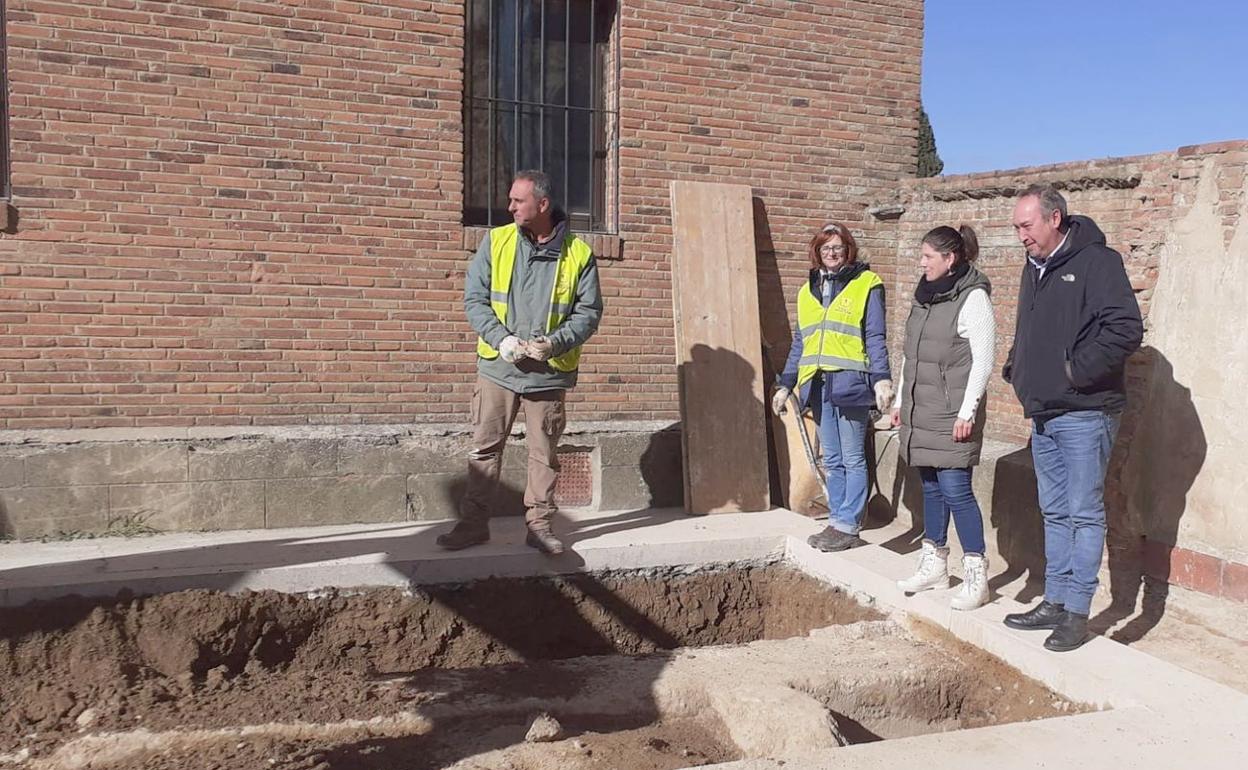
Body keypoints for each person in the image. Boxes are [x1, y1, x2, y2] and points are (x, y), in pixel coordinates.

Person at [1001, 184, 1142, 651]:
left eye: (1027, 225)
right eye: (1018, 226)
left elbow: (1124, 328)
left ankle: (1078, 613)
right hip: (1044, 413)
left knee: (1083, 513)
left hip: (1086, 412)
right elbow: (1031, 328)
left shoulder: (1098, 263)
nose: (1021, 234)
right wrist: (1017, 367)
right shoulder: (1034, 266)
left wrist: (1074, 372)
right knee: (1055, 511)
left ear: (1055, 218)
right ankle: (1055, 600)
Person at [437, 170, 604, 556]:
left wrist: (555, 343)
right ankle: (474, 524)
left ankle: (540, 526)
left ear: (541, 205)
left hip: (548, 373)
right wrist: (502, 339)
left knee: (543, 454)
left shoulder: (578, 254)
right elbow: (475, 300)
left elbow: (588, 312)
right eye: (511, 199)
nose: (510, 206)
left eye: (518, 200)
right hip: (499, 367)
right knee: (484, 448)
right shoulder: (496, 242)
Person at [890, 225, 996, 611]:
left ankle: (976, 575)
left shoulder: (974, 299)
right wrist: (902, 399)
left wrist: (967, 412)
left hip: (953, 412)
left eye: (928, 256)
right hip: (922, 408)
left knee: (957, 491)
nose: (921, 262)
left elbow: (983, 362)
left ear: (950, 259)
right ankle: (934, 563)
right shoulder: (924, 295)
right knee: (931, 488)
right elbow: (910, 354)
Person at [772, 223, 893, 552]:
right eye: (826, 248)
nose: (832, 253)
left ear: (848, 249)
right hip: (817, 384)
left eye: (838, 247)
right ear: (817, 252)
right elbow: (801, 343)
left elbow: (875, 334)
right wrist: (786, 384)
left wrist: (882, 378)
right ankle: (837, 520)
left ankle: (849, 525)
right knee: (833, 458)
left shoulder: (867, 283)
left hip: (851, 382)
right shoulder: (806, 290)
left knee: (853, 457)